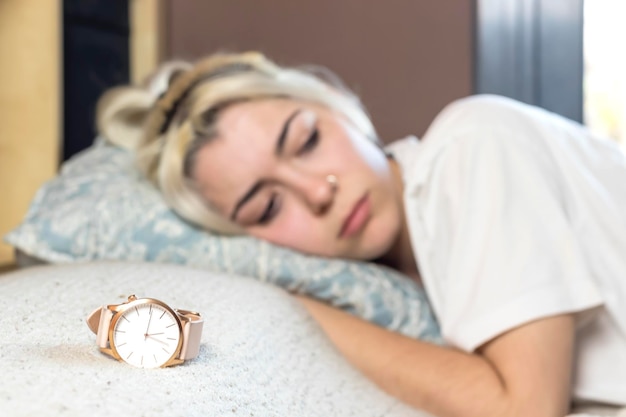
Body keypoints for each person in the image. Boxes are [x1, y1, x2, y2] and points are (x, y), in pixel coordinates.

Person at [97, 51, 626, 417]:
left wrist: (295, 307)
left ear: (337, 103)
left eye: (306, 140)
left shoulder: (471, 142)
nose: (318, 191)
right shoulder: (411, 271)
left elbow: (523, 409)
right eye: (268, 205)